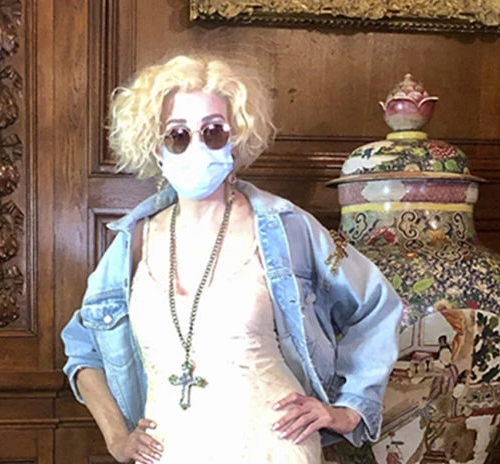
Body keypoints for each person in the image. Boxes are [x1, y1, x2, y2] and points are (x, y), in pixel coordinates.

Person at [61, 54, 402, 464]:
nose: (197, 147)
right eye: (178, 135)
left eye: (213, 131)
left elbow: (376, 307)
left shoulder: (288, 229)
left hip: (273, 448)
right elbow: (83, 348)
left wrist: (347, 411)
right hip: (168, 452)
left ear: (236, 138)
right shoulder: (131, 243)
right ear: (156, 147)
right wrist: (117, 438)